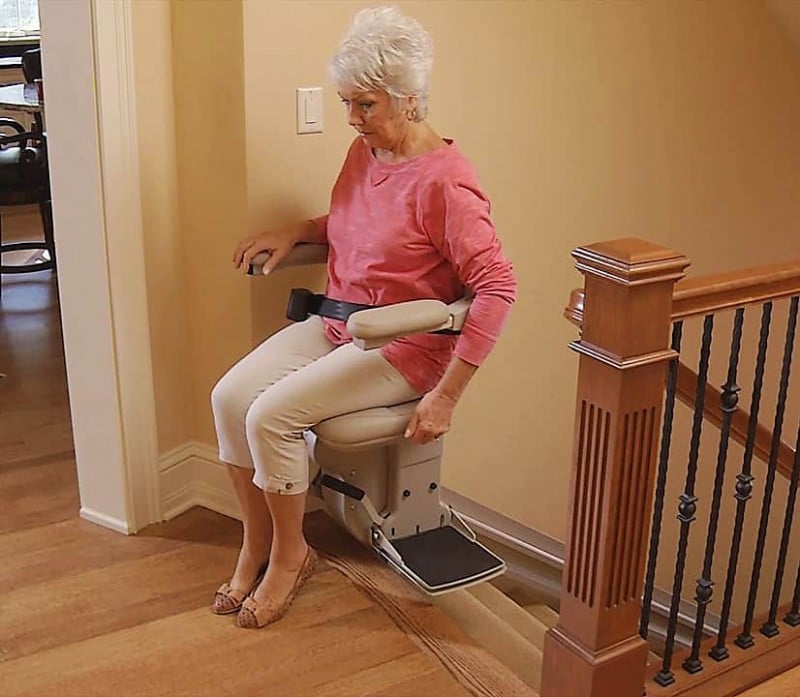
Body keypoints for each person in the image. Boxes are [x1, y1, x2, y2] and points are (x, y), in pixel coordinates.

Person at [210, 5, 517, 629]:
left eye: (365, 105)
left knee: (270, 417)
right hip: (339, 323)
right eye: (347, 102)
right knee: (228, 397)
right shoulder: (364, 154)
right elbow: (356, 225)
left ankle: (293, 556)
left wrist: (449, 396)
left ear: (409, 101)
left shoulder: (448, 185)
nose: (352, 118)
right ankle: (258, 543)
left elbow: (498, 289)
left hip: (404, 347)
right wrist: (296, 231)